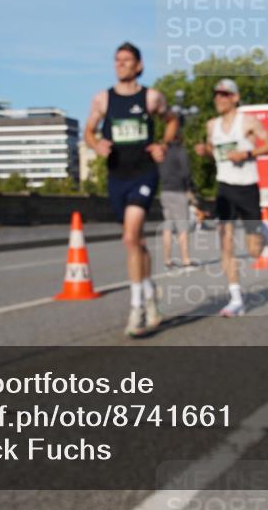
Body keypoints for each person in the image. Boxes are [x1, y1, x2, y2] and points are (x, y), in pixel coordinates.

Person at [84, 42, 178, 337]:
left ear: (138, 65)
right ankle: (151, 295)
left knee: (129, 237)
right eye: (117, 60)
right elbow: (89, 130)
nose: (120, 65)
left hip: (144, 173)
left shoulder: (151, 97)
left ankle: (136, 307)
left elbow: (172, 120)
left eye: (126, 61)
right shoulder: (102, 99)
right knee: (136, 241)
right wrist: (95, 143)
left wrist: (163, 144)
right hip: (117, 176)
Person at [194, 78, 268, 317]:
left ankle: (264, 231)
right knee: (225, 243)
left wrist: (247, 152)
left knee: (254, 251)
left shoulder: (248, 122)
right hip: (225, 187)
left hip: (248, 186)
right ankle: (236, 298)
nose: (219, 98)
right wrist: (204, 152)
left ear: (236, 98)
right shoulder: (211, 125)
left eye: (225, 94)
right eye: (216, 94)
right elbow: (213, 153)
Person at [159, 139, 195, 268]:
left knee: (168, 226)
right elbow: (186, 172)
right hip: (179, 191)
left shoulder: (163, 151)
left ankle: (167, 259)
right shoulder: (180, 151)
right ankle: (185, 259)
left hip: (165, 191)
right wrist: (190, 188)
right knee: (182, 227)